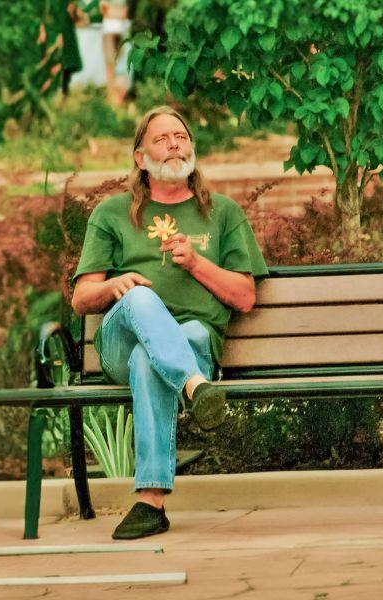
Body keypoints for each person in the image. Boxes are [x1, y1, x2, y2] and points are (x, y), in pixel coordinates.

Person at [71, 105, 269, 539]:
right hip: (122, 342)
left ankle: (150, 503)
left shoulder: (223, 213)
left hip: (193, 339)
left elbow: (245, 296)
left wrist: (198, 263)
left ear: (192, 148)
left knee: (152, 359)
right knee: (142, 299)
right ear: (140, 158)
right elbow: (82, 297)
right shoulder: (111, 214)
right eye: (161, 139)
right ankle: (195, 387)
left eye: (181, 136)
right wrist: (116, 285)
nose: (174, 144)